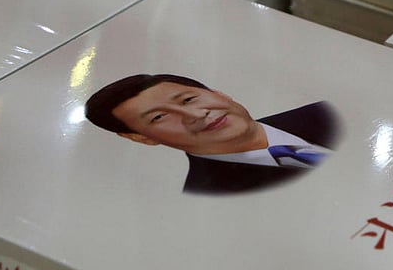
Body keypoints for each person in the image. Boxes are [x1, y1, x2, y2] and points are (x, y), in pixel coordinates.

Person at [85, 74, 342, 195]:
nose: (196, 115)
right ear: (141, 137)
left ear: (220, 94)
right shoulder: (210, 196)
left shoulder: (327, 113)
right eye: (159, 117)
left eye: (188, 99)